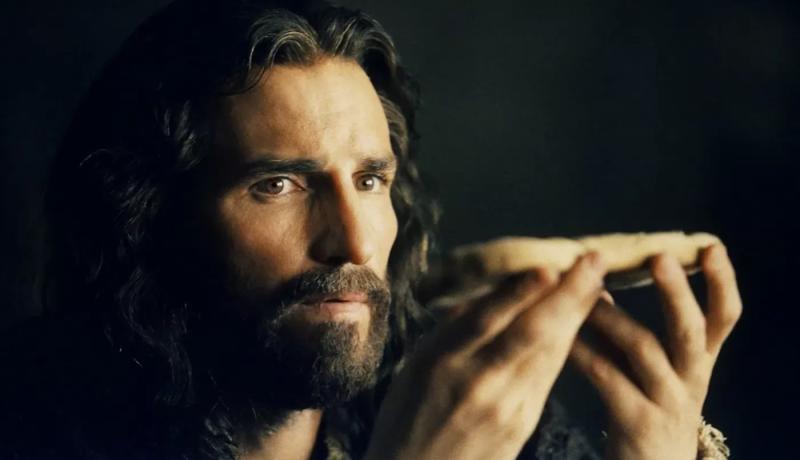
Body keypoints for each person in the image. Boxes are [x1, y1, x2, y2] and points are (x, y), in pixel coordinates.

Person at [0, 0, 742, 459]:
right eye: (278, 185)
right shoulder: (31, 423)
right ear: (150, 216)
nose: (355, 245)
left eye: (369, 180)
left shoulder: (450, 395)